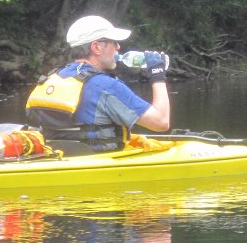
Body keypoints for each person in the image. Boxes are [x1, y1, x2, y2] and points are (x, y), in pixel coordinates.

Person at [25, 15, 170, 152]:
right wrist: (158, 75)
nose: (118, 47)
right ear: (96, 47)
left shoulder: (53, 77)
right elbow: (161, 122)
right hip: (98, 162)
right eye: (114, 42)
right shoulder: (107, 87)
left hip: (57, 157)